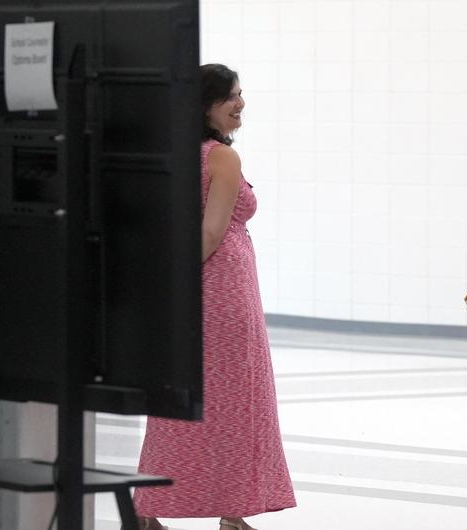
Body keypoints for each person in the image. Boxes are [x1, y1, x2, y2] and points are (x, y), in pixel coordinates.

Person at [132, 64, 296, 530]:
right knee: (237, 402)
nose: (240, 104)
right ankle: (231, 512)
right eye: (231, 97)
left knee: (180, 402)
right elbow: (209, 234)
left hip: (190, 292)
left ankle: (153, 509)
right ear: (205, 105)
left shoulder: (176, 153)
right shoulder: (221, 158)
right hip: (221, 292)